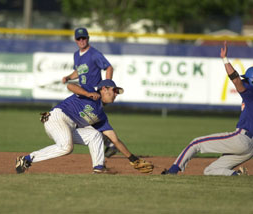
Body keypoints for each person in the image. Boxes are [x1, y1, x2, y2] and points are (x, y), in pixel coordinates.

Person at [16, 79, 153, 174]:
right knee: (66, 147)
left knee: (95, 135)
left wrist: (132, 158)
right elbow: (70, 85)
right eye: (115, 90)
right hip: (57, 118)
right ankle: (26, 159)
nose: (116, 94)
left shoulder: (101, 116)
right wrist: (87, 94)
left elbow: (115, 140)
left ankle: (99, 168)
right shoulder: (89, 91)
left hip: (70, 127)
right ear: (104, 89)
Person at [162, 41, 253, 176]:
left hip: (241, 139)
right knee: (210, 171)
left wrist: (224, 59)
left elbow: (236, 80)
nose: (244, 81)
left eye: (247, 80)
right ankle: (237, 175)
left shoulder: (250, 93)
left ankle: (173, 171)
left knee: (196, 143)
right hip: (250, 148)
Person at [62, 27, 117, 158]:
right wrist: (69, 77)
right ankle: (110, 144)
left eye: (84, 38)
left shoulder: (94, 54)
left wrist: (108, 85)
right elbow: (79, 71)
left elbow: (108, 67)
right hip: (84, 94)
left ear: (88, 38)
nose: (81, 40)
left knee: (84, 121)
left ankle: (110, 143)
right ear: (75, 40)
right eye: (79, 38)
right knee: (88, 122)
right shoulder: (76, 55)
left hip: (94, 94)